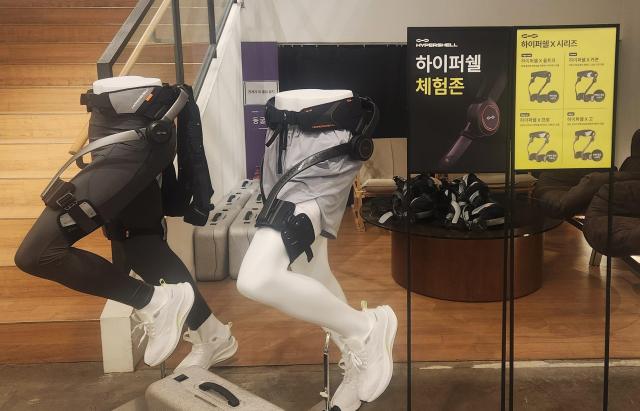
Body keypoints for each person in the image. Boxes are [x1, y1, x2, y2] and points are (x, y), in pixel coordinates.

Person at [14, 76, 236, 371]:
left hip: (135, 132)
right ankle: (212, 336)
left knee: (37, 254)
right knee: (142, 246)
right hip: (107, 126)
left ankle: (154, 302)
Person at [237, 89, 397, 411]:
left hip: (326, 139)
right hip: (279, 136)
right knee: (312, 271)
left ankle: (365, 329)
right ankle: (355, 358)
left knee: (255, 279)